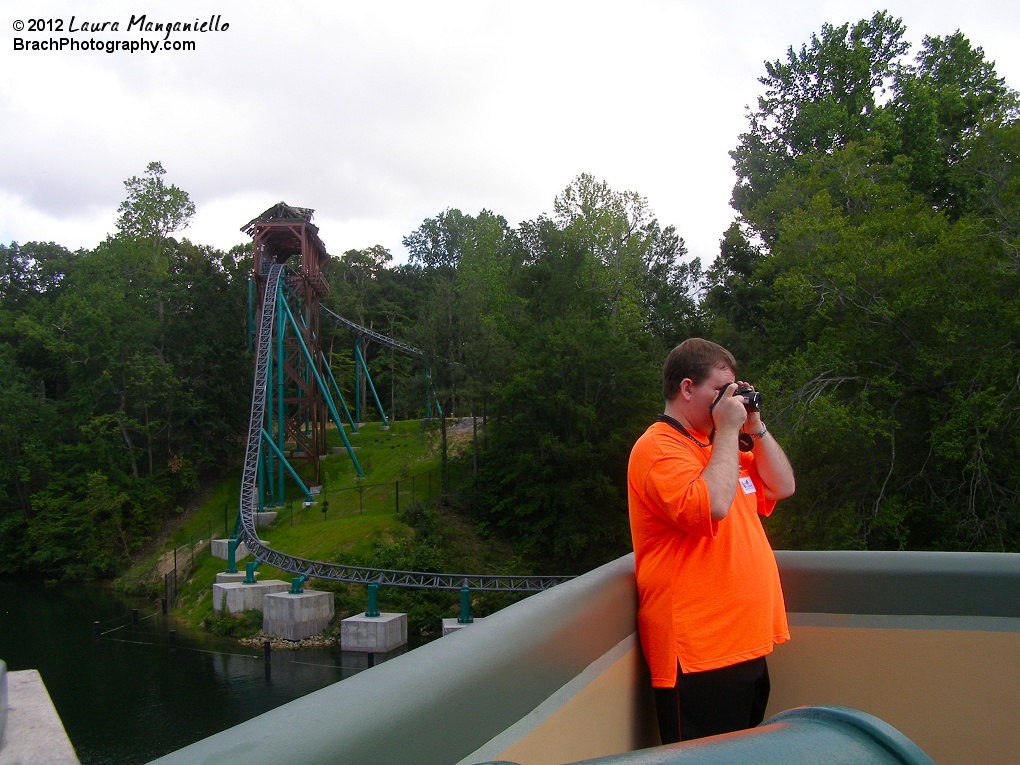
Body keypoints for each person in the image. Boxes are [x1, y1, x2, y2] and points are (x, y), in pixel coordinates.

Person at [627, 338, 796, 743]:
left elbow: (782, 485)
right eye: (721, 392)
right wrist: (730, 431)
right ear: (687, 389)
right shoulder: (658, 448)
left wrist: (754, 426)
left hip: (745, 639)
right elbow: (712, 505)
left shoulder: (718, 447)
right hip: (699, 651)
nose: (731, 403)